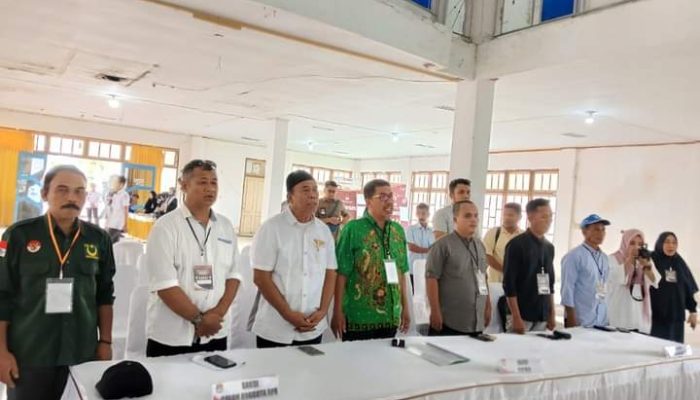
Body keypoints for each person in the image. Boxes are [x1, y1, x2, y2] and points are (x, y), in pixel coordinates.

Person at [0, 165, 115, 400]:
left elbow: (105, 294)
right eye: (62, 190)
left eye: (79, 191)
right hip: (30, 353)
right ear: (44, 194)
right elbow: (3, 296)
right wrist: (1, 351)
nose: (72, 197)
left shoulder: (99, 239)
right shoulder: (18, 235)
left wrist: (105, 341)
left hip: (82, 353)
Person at [144, 160, 242, 357]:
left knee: (212, 377)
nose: (210, 188)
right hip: (173, 335)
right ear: (184, 185)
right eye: (202, 182)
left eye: (214, 182)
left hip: (215, 332)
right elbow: (165, 284)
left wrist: (217, 315)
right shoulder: (165, 227)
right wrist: (199, 320)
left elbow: (234, 276)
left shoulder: (225, 226)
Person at [251, 171, 337, 348]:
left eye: (315, 190)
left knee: (309, 367)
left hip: (313, 326)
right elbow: (261, 278)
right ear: (290, 196)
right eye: (305, 190)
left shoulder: (323, 231)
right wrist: (287, 314)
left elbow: (330, 273)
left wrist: (322, 311)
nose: (312, 195)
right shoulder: (272, 228)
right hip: (276, 327)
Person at [333, 179, 411, 341]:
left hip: (390, 316)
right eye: (382, 197)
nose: (389, 201)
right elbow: (341, 273)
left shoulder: (397, 231)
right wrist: (337, 311)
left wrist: (405, 308)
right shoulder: (353, 229)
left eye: (390, 196)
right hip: (359, 317)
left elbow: (401, 272)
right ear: (368, 201)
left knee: (386, 357)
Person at [426, 200, 491, 336]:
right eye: (467, 216)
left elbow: (483, 277)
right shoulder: (442, 245)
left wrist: (488, 305)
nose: (473, 220)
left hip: (476, 319)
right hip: (449, 320)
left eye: (476, 215)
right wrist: (435, 311)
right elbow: (431, 279)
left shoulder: (480, 246)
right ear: (455, 219)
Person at [502, 198, 556, 333]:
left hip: (541, 314)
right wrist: (515, 316)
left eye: (550, 216)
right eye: (544, 216)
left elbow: (550, 284)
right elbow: (509, 284)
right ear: (530, 217)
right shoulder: (516, 245)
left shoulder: (549, 247)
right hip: (522, 314)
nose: (549, 220)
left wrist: (551, 313)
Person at [560, 214, 611, 328]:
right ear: (584, 231)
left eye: (603, 230)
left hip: (600, 320)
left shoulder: (604, 258)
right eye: (596, 229)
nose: (600, 233)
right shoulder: (574, 256)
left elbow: (603, 286)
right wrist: (571, 318)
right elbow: (567, 289)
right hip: (581, 319)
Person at [607, 229, 660, 333]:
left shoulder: (645, 259)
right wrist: (630, 259)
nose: (636, 247)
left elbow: (655, 281)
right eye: (632, 243)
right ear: (625, 243)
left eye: (640, 244)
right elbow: (616, 279)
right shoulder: (612, 258)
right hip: (620, 308)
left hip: (639, 311)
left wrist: (646, 265)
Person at [650, 232, 698, 343]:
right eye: (667, 242)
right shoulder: (652, 259)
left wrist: (693, 311)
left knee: (675, 347)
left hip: (676, 315)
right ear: (660, 243)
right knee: (656, 346)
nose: (671, 245)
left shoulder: (679, 262)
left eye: (674, 242)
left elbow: (687, 287)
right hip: (656, 315)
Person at [482, 203, 523, 283]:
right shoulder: (493, 233)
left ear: (519, 217)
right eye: (504, 214)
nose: (506, 218)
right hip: (495, 282)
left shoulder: (523, 236)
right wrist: (506, 270)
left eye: (510, 215)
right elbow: (487, 256)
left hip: (517, 283)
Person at [406, 203, 434, 291]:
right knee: (413, 293)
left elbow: (434, 248)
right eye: (419, 213)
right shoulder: (410, 229)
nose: (421, 216)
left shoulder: (432, 231)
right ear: (416, 214)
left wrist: (430, 250)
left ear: (428, 214)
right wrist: (428, 250)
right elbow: (411, 247)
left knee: (425, 293)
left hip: (427, 269)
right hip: (413, 268)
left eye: (423, 213)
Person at [104, 175, 129, 243]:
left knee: (111, 242)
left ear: (121, 184)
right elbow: (109, 206)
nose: (113, 184)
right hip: (110, 222)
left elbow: (126, 210)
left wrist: (125, 224)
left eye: (115, 182)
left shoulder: (124, 195)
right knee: (108, 241)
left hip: (117, 223)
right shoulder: (113, 193)